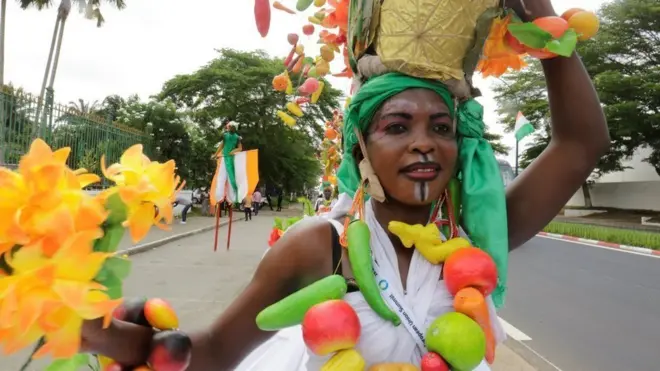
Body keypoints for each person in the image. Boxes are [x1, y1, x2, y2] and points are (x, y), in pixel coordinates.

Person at [80, 1, 609, 369]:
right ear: (361, 148)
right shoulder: (317, 246)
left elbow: (581, 143)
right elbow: (215, 350)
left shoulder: (474, 237)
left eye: (441, 128)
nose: (425, 143)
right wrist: (91, 327)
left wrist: (538, 14)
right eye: (397, 127)